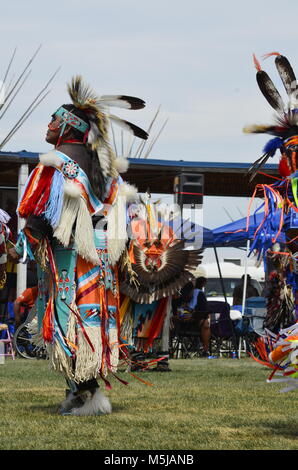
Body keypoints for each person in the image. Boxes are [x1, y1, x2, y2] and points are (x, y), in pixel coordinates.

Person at [8, 76, 148, 416]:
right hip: (102, 265)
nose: (48, 124)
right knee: (90, 326)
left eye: (54, 119)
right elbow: (123, 220)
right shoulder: (106, 171)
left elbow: (44, 215)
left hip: (70, 261)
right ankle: (84, 394)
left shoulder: (58, 164)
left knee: (68, 323)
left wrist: (19, 249)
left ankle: (85, 395)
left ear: (69, 126)